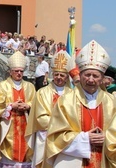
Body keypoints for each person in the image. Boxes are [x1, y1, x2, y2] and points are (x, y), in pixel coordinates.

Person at [44, 40, 116, 168]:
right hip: (74, 162)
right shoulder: (66, 101)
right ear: (80, 75)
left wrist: (108, 138)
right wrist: (84, 138)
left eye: (95, 75)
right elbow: (55, 137)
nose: (91, 79)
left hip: (105, 160)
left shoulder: (111, 102)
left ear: (102, 78)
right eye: (87, 75)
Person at [25, 50, 74, 167]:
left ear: (67, 77)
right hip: (46, 138)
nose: (58, 77)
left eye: (62, 75)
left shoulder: (73, 94)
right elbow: (41, 118)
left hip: (67, 139)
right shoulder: (42, 93)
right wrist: (63, 125)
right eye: (56, 74)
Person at [0, 51, 36, 167]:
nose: (19, 73)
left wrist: (28, 105)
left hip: (26, 124)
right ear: (10, 72)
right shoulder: (2, 86)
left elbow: (36, 103)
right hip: (9, 126)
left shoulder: (30, 86)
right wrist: (11, 106)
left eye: (21, 71)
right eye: (16, 71)